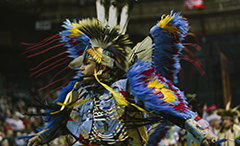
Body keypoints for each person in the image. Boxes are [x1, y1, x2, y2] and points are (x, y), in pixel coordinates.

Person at [23, 0, 216, 145]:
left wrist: (200, 132)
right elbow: (63, 122)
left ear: (102, 66)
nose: (80, 67)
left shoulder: (127, 89)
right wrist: (42, 137)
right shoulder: (79, 94)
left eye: (86, 63)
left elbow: (169, 110)